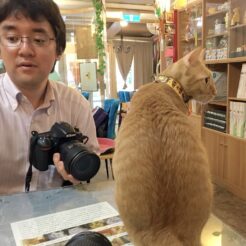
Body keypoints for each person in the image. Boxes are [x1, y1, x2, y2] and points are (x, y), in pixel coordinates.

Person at [0, 0, 99, 195]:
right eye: (12, 38)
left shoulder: (76, 104)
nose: (26, 49)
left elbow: (90, 157)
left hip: (59, 213)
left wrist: (75, 174)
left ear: (58, 50)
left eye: (39, 39)